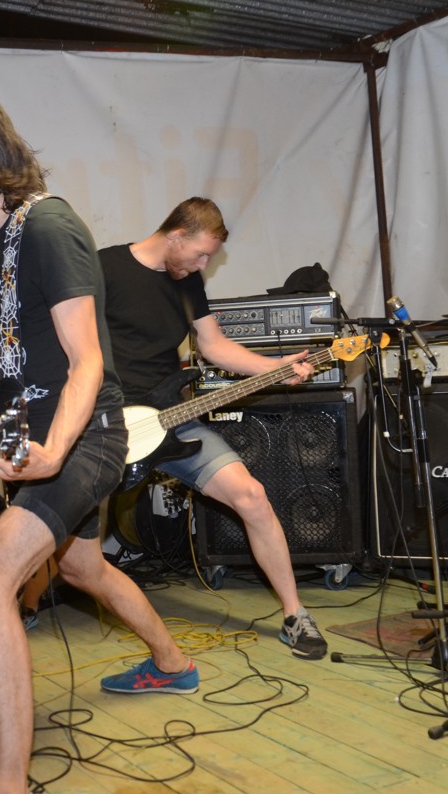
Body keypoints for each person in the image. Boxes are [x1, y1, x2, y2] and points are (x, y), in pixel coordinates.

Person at [0, 89, 197, 794]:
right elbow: (17, 360)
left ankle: (10, 789)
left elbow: (86, 360)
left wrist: (53, 451)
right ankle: (172, 663)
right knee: (80, 566)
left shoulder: (48, 226)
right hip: (40, 436)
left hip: (86, 437)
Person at [98, 197, 329, 660]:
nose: (204, 265)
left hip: (171, 418)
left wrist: (275, 366)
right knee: (68, 520)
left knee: (253, 496)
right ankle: (26, 602)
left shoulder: (186, 280)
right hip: (109, 422)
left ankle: (294, 614)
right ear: (175, 235)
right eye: (200, 254)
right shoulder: (103, 268)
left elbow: (214, 345)